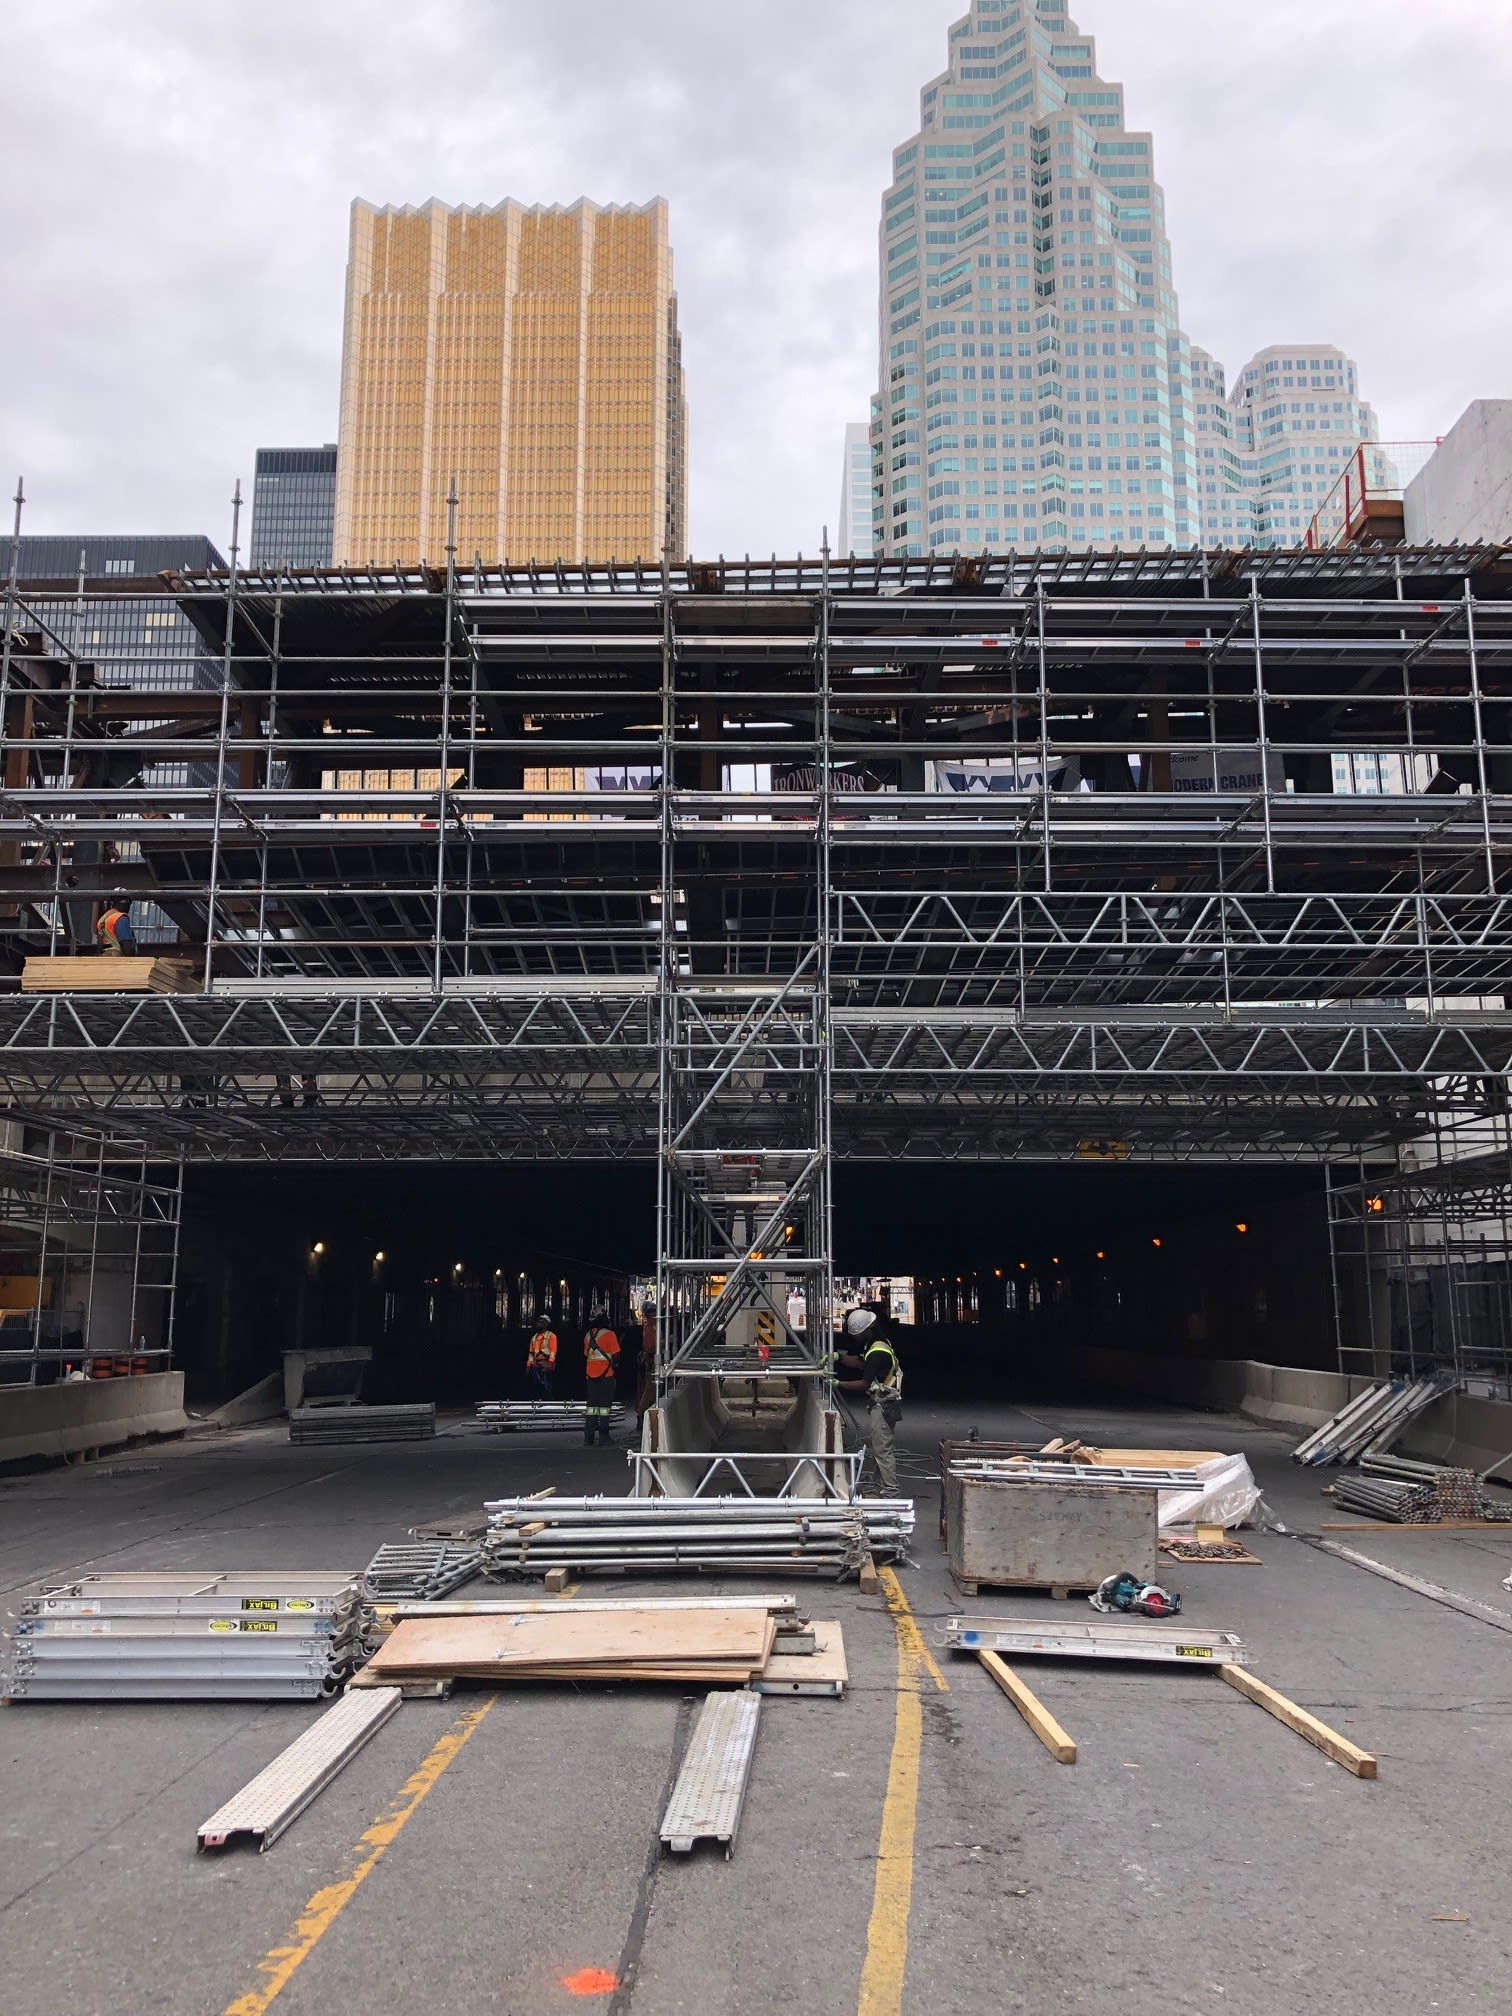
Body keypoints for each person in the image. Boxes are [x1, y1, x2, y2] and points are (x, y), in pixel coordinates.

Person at [836, 1308, 903, 1498]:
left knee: (883, 1449)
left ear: (866, 1330)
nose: (854, 1338)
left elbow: (864, 1382)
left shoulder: (877, 1352)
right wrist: (838, 1357)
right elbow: (859, 1362)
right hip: (884, 1403)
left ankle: (891, 1490)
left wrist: (838, 1383)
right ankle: (878, 1486)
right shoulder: (876, 1344)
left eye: (856, 1334)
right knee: (879, 1448)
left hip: (884, 1405)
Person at [582, 1309, 621, 1445]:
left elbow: (586, 1354)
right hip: (606, 1375)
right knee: (604, 1407)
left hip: (590, 1376)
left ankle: (589, 1436)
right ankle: (604, 1436)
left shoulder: (588, 1335)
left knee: (592, 1406)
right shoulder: (610, 1334)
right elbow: (616, 1355)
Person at [526, 1318, 558, 1402]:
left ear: (545, 1324)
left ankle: (549, 1403)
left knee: (547, 1386)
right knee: (537, 1385)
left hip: (546, 1363)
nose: (538, 1323)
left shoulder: (551, 1336)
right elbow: (531, 1353)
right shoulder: (534, 1338)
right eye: (538, 1321)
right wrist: (528, 1366)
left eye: (540, 1322)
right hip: (536, 1364)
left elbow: (553, 1352)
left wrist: (550, 1364)